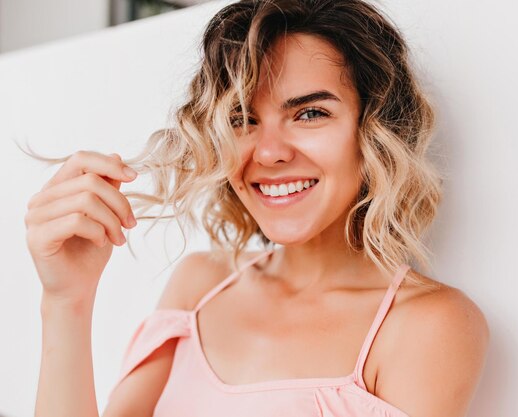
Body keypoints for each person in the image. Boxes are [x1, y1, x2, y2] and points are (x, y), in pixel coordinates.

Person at [24, 0, 489, 416]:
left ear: (375, 131)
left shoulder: (426, 325)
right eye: (242, 118)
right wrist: (67, 301)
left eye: (310, 113)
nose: (268, 153)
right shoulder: (199, 287)